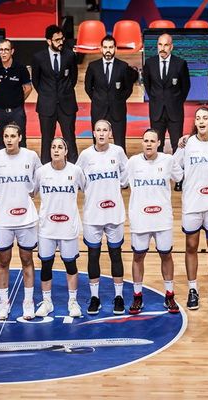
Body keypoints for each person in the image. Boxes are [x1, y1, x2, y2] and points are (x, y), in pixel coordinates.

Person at [173, 107, 208, 310]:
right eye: (198, 118)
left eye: (205, 117)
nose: (202, 121)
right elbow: (173, 165)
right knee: (191, 246)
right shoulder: (187, 144)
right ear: (195, 122)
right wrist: (183, 179)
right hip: (192, 204)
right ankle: (192, 289)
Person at [126, 129, 183, 314]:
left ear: (159, 143)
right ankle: (137, 296)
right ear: (142, 143)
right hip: (140, 219)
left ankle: (169, 295)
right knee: (138, 257)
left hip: (162, 218)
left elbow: (180, 176)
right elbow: (121, 182)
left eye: (152, 141)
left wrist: (182, 149)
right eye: (146, 141)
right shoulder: (132, 162)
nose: (148, 144)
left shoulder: (168, 161)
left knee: (166, 255)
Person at [0, 123, 42, 320]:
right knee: (3, 261)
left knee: (27, 259)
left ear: (20, 137)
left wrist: (30, 194)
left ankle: (28, 302)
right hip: (3, 218)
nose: (9, 139)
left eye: (13, 136)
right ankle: (4, 303)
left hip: (26, 218)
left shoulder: (31, 156)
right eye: (6, 136)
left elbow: (40, 178)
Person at [76, 120, 128, 315]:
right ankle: (95, 297)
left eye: (105, 130)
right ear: (93, 133)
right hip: (92, 214)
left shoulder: (118, 152)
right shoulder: (85, 155)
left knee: (116, 254)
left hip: (114, 213)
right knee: (93, 255)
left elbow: (126, 176)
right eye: (98, 130)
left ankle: (119, 296)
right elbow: (78, 179)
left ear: (110, 133)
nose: (101, 133)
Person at [33, 137, 86, 318]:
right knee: (46, 265)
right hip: (47, 228)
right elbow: (32, 192)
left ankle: (73, 301)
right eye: (53, 147)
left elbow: (86, 189)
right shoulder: (41, 172)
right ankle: (47, 302)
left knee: (70, 265)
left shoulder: (76, 171)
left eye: (60, 147)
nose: (56, 150)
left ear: (66, 151)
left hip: (68, 228)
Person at [31, 25, 79, 164]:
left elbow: (73, 79)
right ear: (48, 41)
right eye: (57, 40)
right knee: (47, 140)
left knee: (70, 139)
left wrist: (64, 92)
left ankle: (74, 169)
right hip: (47, 105)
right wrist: (48, 94)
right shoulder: (38, 57)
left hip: (67, 105)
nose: (61, 42)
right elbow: (36, 81)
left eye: (62, 39)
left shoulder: (70, 55)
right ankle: (45, 169)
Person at [84, 35, 139, 152]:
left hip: (118, 110)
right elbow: (88, 87)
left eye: (110, 47)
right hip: (99, 109)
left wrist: (119, 99)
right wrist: (97, 99)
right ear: (101, 49)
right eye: (105, 47)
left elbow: (128, 88)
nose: (108, 50)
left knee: (120, 144)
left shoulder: (123, 66)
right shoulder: (93, 66)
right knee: (98, 144)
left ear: (115, 49)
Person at [142, 34, 191, 160]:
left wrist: (176, 101)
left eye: (166, 45)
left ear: (171, 47)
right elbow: (148, 85)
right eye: (160, 44)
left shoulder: (180, 64)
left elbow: (185, 86)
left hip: (175, 111)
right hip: (156, 111)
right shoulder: (149, 63)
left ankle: (178, 171)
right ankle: (157, 170)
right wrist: (156, 98)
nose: (162, 48)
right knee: (157, 145)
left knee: (177, 145)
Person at [0, 39, 32, 150]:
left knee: (21, 143)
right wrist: (2, 97)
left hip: (17, 111)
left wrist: (18, 100)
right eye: (1, 50)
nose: (3, 53)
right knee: (0, 143)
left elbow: (28, 88)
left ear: (12, 51)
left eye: (6, 50)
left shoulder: (21, 68)